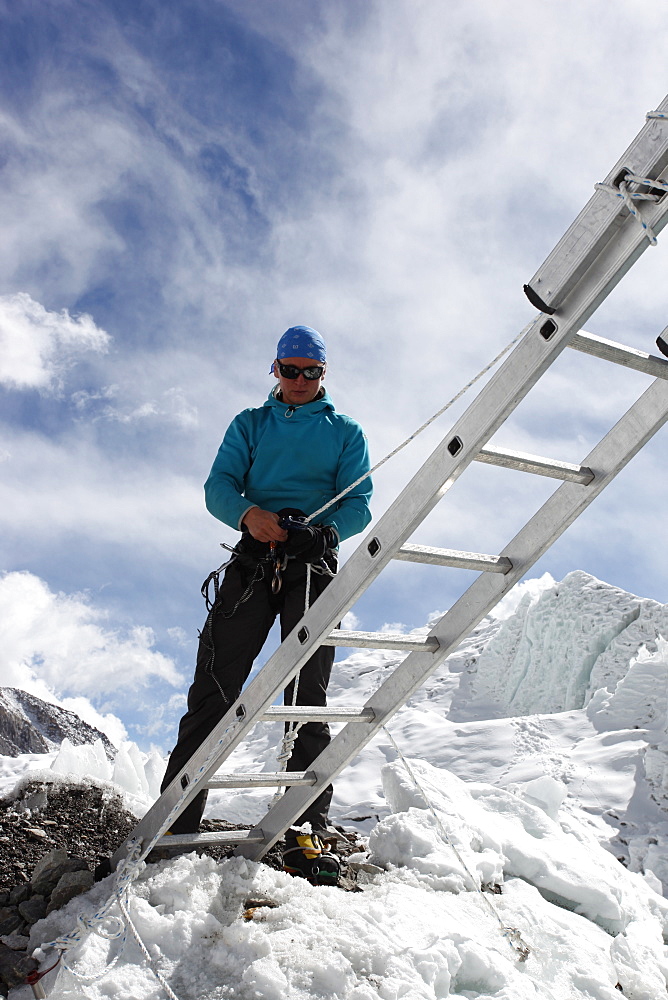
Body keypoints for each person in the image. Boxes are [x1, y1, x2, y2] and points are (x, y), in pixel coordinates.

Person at [160, 325, 372, 878]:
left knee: (307, 696)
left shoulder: (346, 432)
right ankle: (175, 820)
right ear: (274, 370)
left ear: (323, 375)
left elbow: (359, 505)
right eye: (289, 369)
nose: (299, 380)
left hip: (313, 569)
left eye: (310, 371)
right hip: (252, 564)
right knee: (215, 687)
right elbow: (219, 487)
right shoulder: (249, 424)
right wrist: (249, 516)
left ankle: (304, 829)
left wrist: (322, 532)